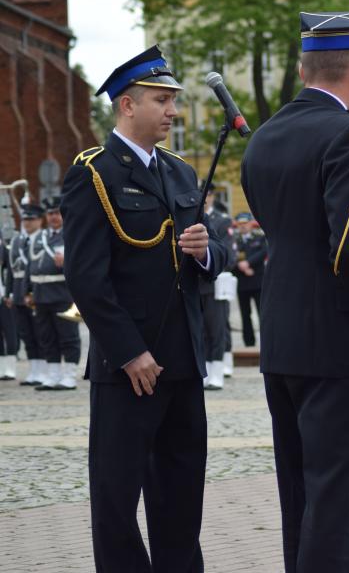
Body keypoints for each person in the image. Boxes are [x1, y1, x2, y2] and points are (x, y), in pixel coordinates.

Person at [240, 10, 349, 573]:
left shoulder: (265, 137)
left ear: (301, 68)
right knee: (336, 500)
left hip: (284, 338)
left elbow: (298, 228)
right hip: (338, 345)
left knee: (299, 494)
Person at [61, 45, 228, 572]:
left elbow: (215, 251)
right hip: (129, 368)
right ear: (128, 105)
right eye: (163, 100)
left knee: (181, 497)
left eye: (174, 100)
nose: (173, 111)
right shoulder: (94, 174)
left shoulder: (180, 174)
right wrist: (130, 352)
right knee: (115, 498)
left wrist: (207, 253)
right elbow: (87, 279)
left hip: (181, 360)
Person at [30, 196, 80, 390]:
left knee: (67, 336)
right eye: (50, 213)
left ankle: (69, 376)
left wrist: (67, 262)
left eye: (56, 213)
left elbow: (83, 263)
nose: (53, 217)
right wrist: (28, 290)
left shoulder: (72, 234)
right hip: (41, 294)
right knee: (47, 336)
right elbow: (31, 266)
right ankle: (52, 375)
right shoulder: (41, 237)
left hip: (62, 293)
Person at [199, 184, 236, 390]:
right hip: (197, 283)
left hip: (216, 282)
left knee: (217, 328)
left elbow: (228, 254)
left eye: (208, 195)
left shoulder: (222, 221)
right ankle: (205, 371)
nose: (205, 199)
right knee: (200, 329)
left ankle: (217, 373)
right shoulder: (193, 217)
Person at [8, 203, 47, 386]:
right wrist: (9, 292)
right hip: (17, 291)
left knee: (40, 332)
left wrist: (30, 292)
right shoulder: (16, 240)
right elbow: (9, 269)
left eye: (31, 219)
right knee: (26, 334)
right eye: (25, 219)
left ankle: (43, 370)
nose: (27, 223)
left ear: (40, 220)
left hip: (34, 292)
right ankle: (33, 370)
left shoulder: (44, 239)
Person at [233, 212, 266, 348]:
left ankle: (265, 341)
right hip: (242, 283)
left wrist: (248, 263)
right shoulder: (234, 240)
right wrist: (241, 266)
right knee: (245, 314)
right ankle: (249, 342)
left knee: (262, 313)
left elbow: (265, 251)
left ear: (250, 224)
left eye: (245, 223)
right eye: (240, 224)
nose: (243, 226)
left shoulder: (259, 238)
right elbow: (230, 256)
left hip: (258, 282)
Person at [0, 226, 17, 381]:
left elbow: (9, 272)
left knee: (9, 331)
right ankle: (2, 367)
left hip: (3, 296)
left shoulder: (3, 249)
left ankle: (11, 367)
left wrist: (9, 293)